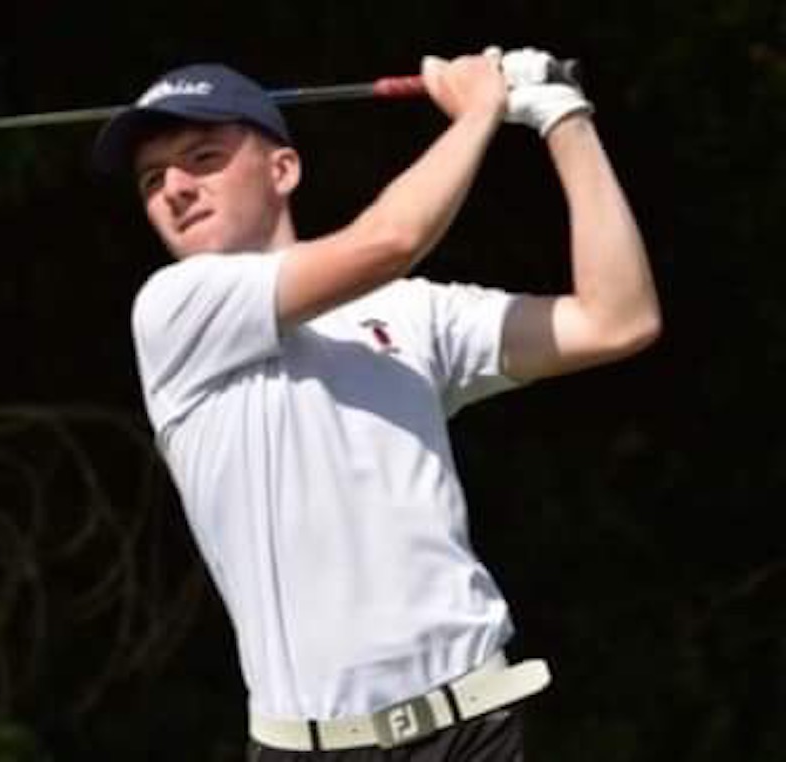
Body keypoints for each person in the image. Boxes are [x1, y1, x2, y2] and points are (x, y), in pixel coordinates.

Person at [91, 46, 660, 761]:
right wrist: (479, 107)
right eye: (151, 178)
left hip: (474, 727)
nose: (173, 187)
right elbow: (390, 239)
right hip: (313, 748)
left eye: (203, 156)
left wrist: (562, 117)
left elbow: (618, 318)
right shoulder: (174, 309)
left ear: (283, 170)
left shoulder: (412, 315)